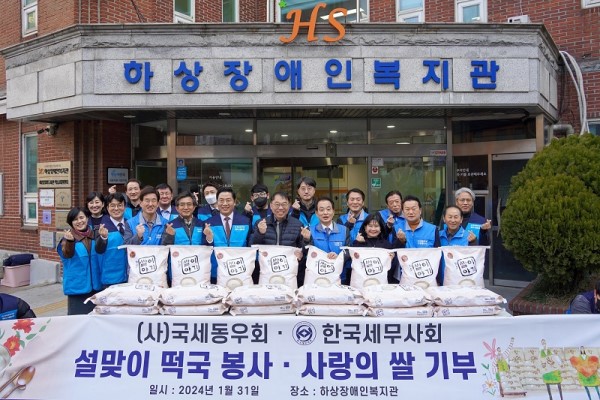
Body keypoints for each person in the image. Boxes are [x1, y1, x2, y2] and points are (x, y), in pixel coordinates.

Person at [251, 191, 311, 285]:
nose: (280, 208)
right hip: (266, 273)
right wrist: (260, 233)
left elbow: (305, 249)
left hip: (289, 274)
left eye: (284, 204)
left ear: (289, 205)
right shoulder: (261, 223)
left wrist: (304, 246)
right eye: (277, 204)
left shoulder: (297, 224)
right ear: (271, 206)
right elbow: (252, 246)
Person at [57, 207, 102, 315]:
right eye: (75, 219)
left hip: (96, 287)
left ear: (87, 218)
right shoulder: (67, 239)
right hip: (77, 289)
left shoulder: (96, 235)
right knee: (78, 320)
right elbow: (67, 254)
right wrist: (70, 242)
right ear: (71, 222)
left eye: (82, 217)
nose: (79, 221)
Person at [203, 187, 251, 281]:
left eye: (228, 200)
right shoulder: (209, 223)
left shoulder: (245, 221)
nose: (224, 203)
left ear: (234, 202)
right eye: (221, 200)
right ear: (217, 202)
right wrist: (209, 238)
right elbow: (205, 249)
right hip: (217, 272)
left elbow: (250, 245)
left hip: (240, 270)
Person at [352, 212, 403, 283]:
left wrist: (391, 259)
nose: (373, 229)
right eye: (370, 226)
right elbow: (354, 262)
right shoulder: (358, 243)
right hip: (362, 283)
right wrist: (358, 243)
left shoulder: (386, 245)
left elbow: (392, 268)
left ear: (381, 228)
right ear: (365, 227)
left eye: (376, 226)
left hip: (382, 283)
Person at [310, 197, 350, 284]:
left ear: (333, 211)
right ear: (316, 213)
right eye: (321, 210)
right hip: (317, 277)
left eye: (328, 209)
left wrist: (339, 257)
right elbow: (308, 254)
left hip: (339, 276)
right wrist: (306, 240)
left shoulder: (344, 230)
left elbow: (348, 250)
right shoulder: (310, 231)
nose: (325, 213)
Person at [95, 192, 128, 285]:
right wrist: (103, 237)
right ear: (107, 208)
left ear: (125, 207)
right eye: (112, 206)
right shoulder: (101, 227)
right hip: (111, 278)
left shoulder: (131, 224)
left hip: (130, 276)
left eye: (119, 205)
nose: (116, 208)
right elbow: (99, 250)